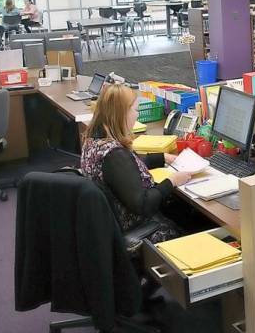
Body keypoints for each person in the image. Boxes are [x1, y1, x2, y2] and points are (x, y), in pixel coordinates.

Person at [80, 83, 192, 245]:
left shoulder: (94, 141)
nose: (136, 115)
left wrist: (162, 158)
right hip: (137, 229)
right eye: (134, 109)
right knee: (193, 216)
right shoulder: (114, 155)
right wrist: (172, 181)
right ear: (121, 113)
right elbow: (144, 204)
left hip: (111, 223)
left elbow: (126, 168)